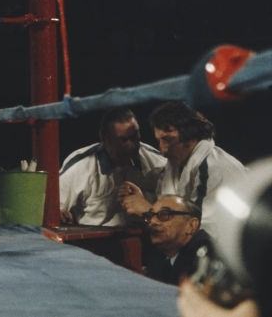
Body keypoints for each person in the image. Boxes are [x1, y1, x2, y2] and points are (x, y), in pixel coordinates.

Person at [119, 102, 245, 239]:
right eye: (159, 141)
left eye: (168, 140)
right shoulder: (176, 166)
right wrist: (134, 191)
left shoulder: (215, 168)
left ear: (191, 136)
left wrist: (148, 212)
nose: (163, 150)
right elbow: (156, 184)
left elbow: (203, 235)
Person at [60, 108, 166, 226]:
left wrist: (147, 208)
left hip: (146, 236)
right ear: (105, 139)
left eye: (135, 137)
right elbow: (54, 207)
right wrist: (62, 215)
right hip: (92, 239)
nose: (132, 145)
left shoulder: (158, 162)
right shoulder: (80, 165)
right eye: (123, 140)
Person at [143, 195, 211, 285]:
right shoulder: (159, 255)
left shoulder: (207, 256)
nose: (152, 222)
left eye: (164, 214)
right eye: (150, 216)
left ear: (191, 226)